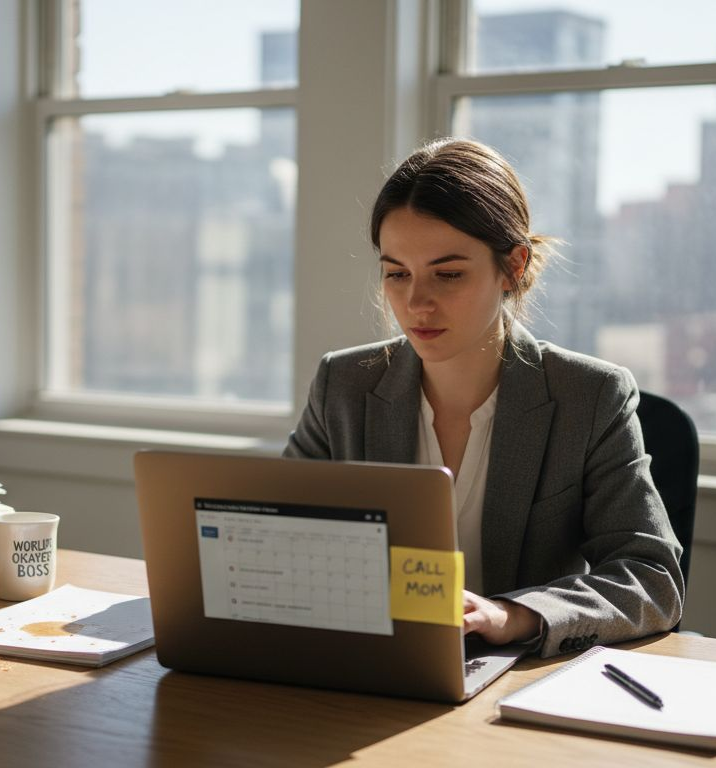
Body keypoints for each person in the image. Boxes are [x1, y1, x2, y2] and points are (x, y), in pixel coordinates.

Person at [284, 138, 684, 657]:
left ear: (513, 267)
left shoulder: (589, 396)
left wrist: (512, 615)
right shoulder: (343, 384)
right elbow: (282, 538)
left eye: (447, 274)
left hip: (511, 684)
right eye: (396, 273)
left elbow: (652, 579)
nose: (415, 302)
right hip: (373, 670)